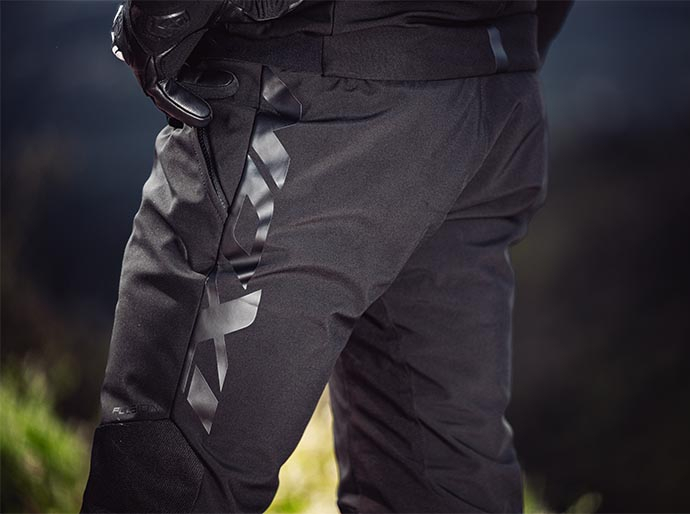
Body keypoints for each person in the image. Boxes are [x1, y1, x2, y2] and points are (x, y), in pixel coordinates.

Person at [81, 0, 572, 512]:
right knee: (438, 484)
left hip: (308, 93)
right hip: (490, 98)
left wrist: (164, 12)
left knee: (169, 477)